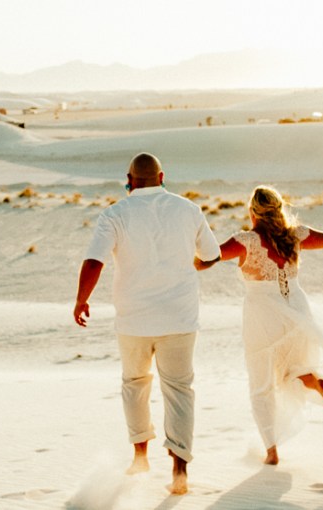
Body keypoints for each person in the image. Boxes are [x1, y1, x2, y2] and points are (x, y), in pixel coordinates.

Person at [195, 185, 323, 465]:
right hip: (298, 310)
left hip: (263, 314)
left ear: (253, 213)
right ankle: (315, 381)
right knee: (292, 368)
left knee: (262, 384)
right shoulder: (294, 235)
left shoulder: (246, 240)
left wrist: (184, 258)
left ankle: (271, 451)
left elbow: (207, 258)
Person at [74, 152, 221, 494]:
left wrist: (82, 299)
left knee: (135, 383)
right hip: (180, 318)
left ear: (129, 179)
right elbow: (212, 256)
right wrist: (190, 266)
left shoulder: (114, 214)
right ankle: (180, 470)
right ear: (162, 176)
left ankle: (140, 456)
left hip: (133, 321)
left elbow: (94, 261)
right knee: (180, 390)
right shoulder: (188, 209)